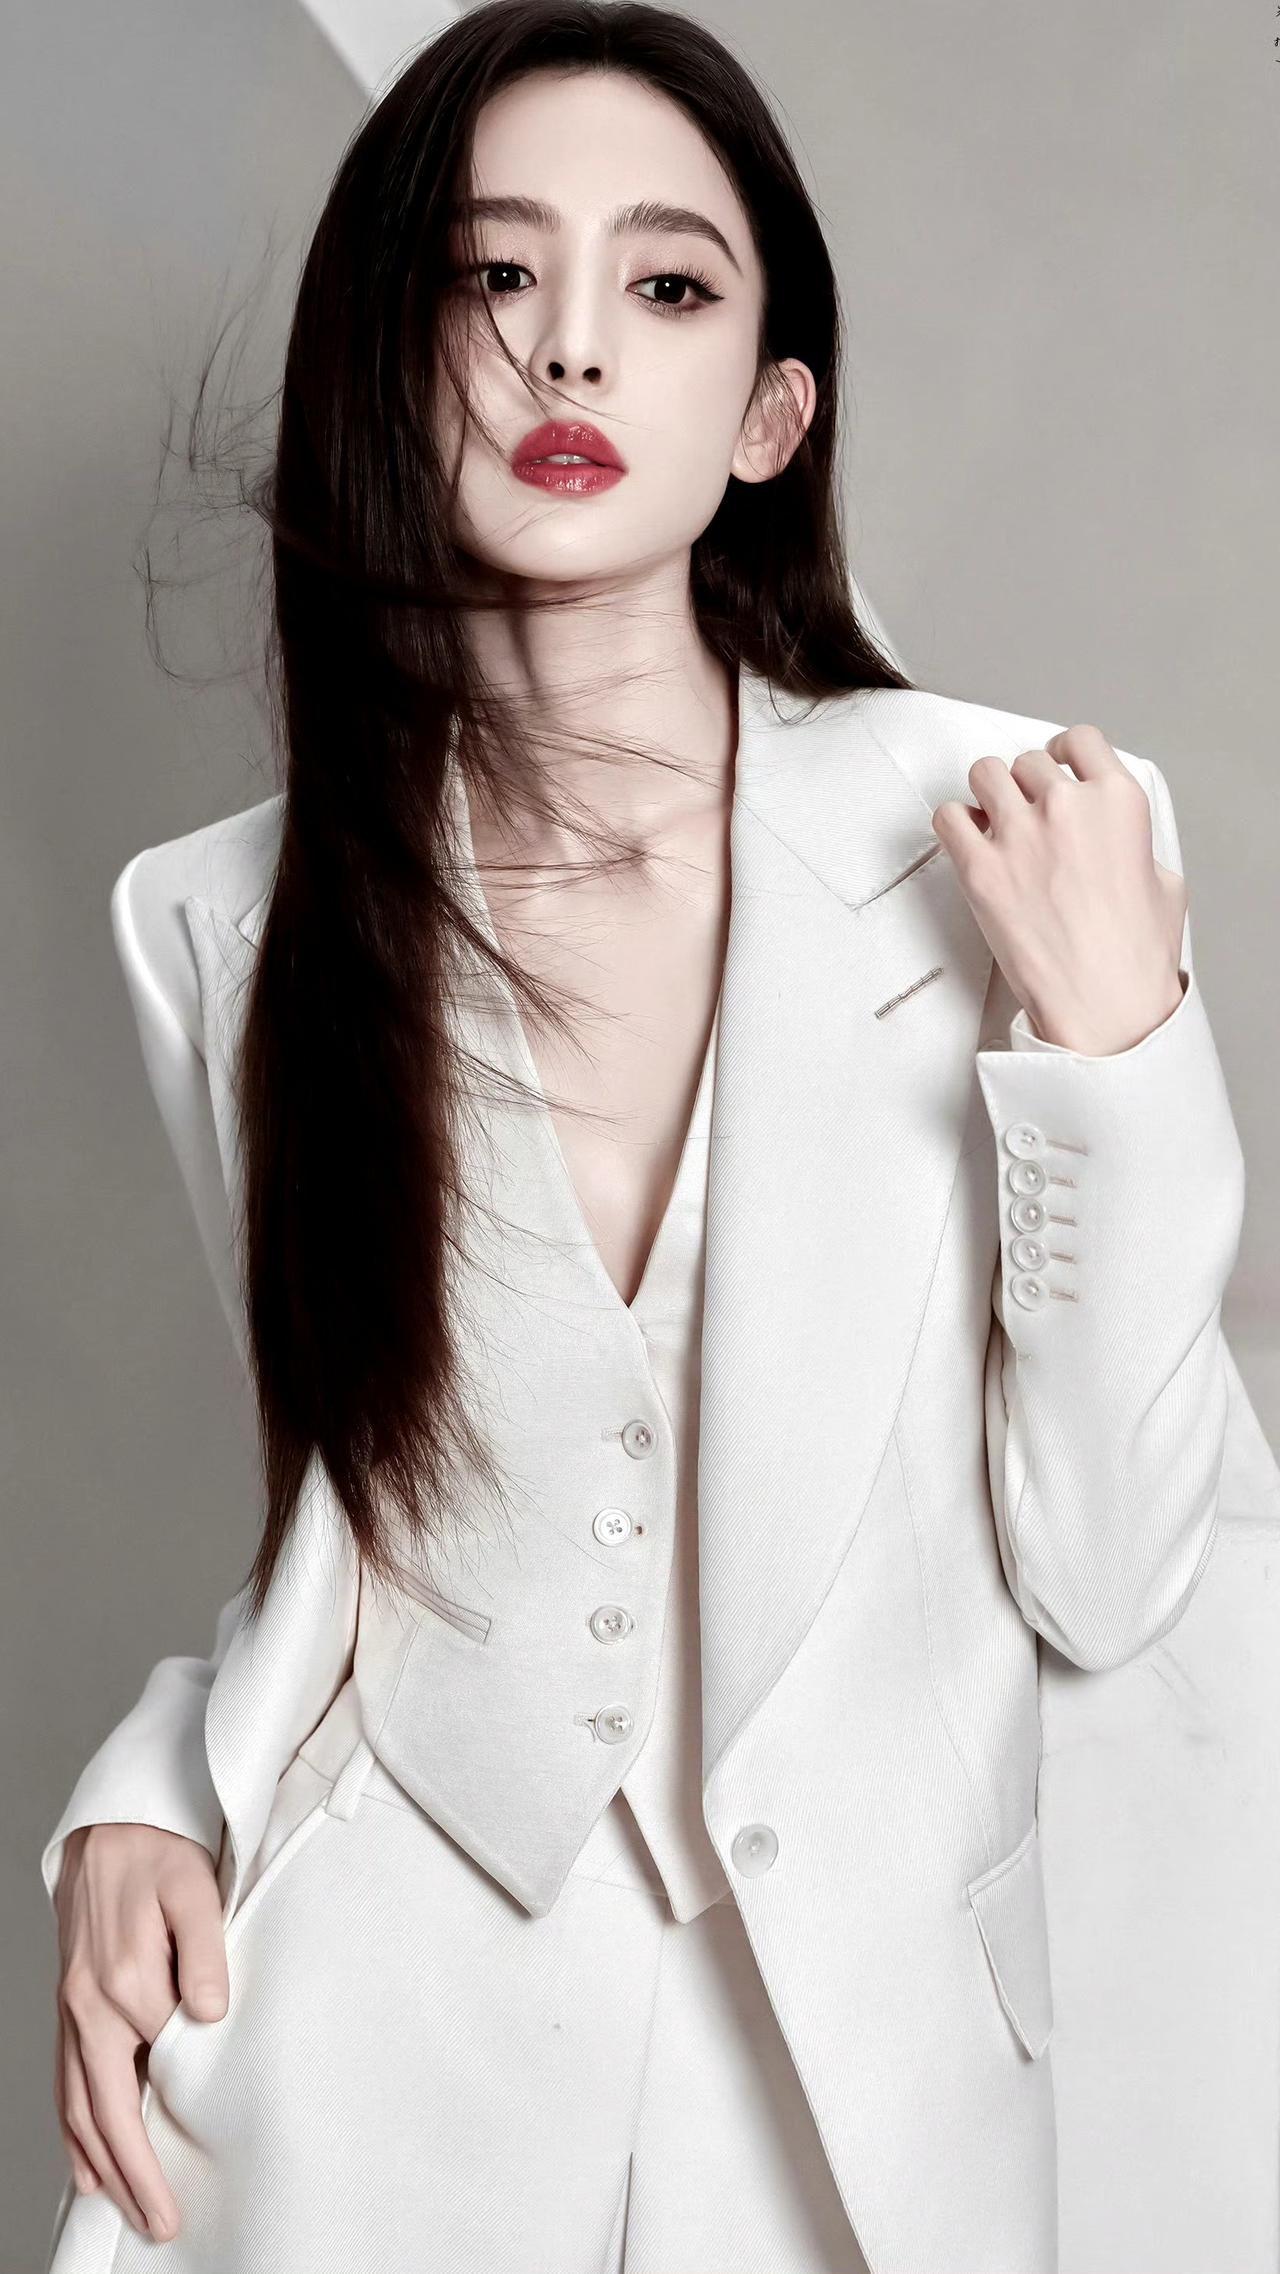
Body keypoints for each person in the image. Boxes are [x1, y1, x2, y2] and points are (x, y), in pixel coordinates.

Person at [40, 5, 1255, 2270]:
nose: (570, 346)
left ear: (772, 414)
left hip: (844, 2093)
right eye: (492, 276)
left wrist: (1114, 1057)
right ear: (388, 359)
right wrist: (139, 1795)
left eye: (667, 285)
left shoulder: (1005, 831)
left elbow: (1108, 1569)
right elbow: (354, 1527)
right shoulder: (220, 926)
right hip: (353, 2085)